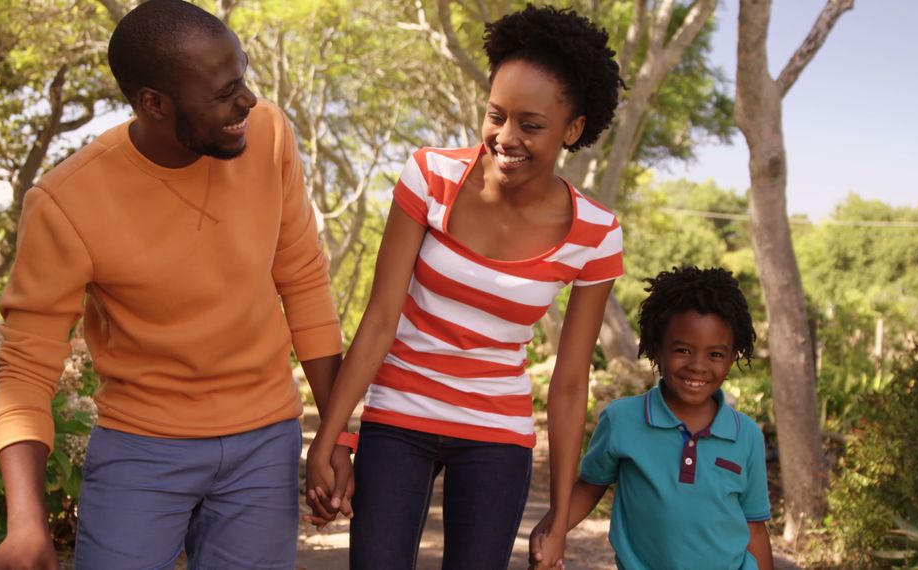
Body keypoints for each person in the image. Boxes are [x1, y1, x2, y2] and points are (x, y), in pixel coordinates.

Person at [0, 1, 347, 568]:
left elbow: (302, 280)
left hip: (265, 441)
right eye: (224, 92)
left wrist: (335, 433)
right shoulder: (66, 203)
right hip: (141, 447)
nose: (248, 101)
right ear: (153, 103)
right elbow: (27, 367)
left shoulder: (268, 133)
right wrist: (26, 524)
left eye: (243, 76)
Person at [304, 5, 625, 569]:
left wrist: (559, 516)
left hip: (496, 431)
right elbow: (380, 320)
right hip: (398, 413)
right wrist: (330, 437)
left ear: (573, 130)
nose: (505, 137)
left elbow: (572, 382)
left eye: (531, 124)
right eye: (496, 115)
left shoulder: (596, 235)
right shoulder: (430, 177)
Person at [529, 266, 774, 569]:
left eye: (715, 355)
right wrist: (549, 532)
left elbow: (753, 528)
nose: (698, 366)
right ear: (656, 347)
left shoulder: (746, 435)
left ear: (733, 355)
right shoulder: (622, 420)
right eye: (683, 350)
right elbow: (588, 487)